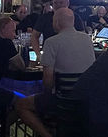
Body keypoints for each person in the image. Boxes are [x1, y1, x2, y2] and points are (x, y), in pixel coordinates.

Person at [16, 8, 95, 137]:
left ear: (57, 22)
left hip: (62, 101)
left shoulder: (52, 42)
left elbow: (48, 80)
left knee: (21, 104)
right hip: (86, 101)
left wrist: (46, 95)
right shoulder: (87, 39)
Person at [30, 0, 84, 64]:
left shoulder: (75, 17)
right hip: (49, 54)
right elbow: (34, 36)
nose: (58, 5)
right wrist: (38, 54)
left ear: (67, 3)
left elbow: (82, 36)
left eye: (61, 3)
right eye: (55, 3)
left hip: (70, 54)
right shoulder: (45, 18)